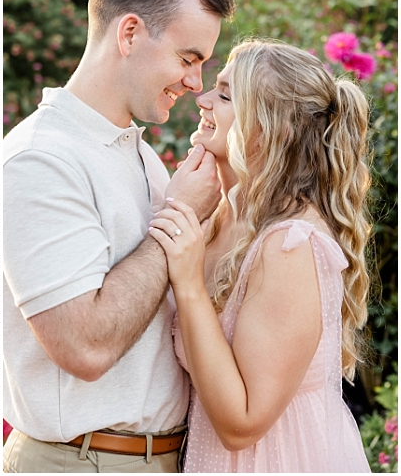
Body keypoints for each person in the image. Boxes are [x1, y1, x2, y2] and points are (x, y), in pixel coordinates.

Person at [2, 0, 236, 473]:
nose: (195, 83)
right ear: (129, 32)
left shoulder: (143, 157)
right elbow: (84, 347)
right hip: (84, 463)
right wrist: (176, 221)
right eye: (187, 57)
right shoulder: (40, 160)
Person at [149, 39, 371, 472]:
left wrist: (190, 285)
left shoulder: (290, 245)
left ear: (274, 128)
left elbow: (242, 424)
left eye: (227, 95)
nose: (204, 97)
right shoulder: (214, 218)